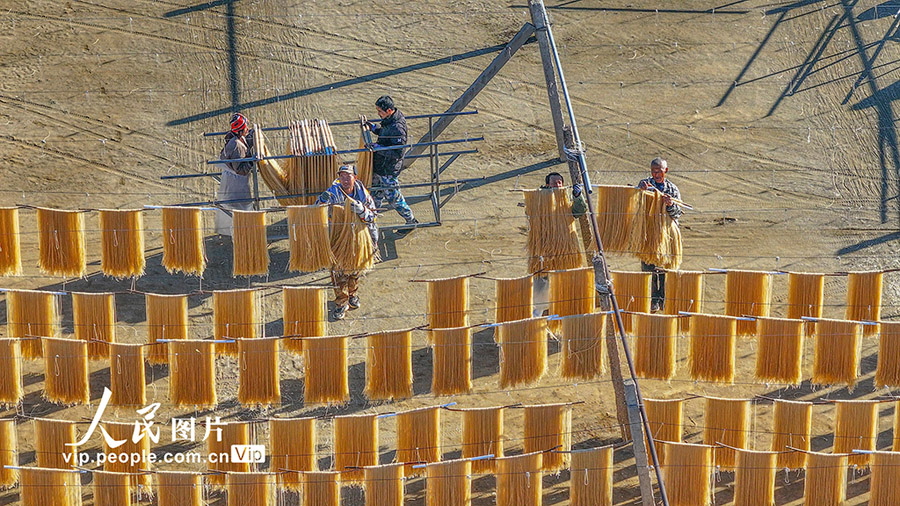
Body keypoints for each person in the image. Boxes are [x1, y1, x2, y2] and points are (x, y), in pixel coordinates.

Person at [316, 164, 378, 321]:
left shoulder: (363, 195)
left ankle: (353, 295)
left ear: (355, 178)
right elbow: (317, 209)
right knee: (338, 272)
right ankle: (341, 302)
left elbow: (373, 217)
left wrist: (362, 211)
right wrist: (321, 201)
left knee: (355, 270)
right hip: (337, 237)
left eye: (348, 176)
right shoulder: (333, 193)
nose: (344, 179)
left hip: (358, 238)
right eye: (341, 176)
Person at [532, 172, 588, 317]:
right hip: (544, 247)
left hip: (566, 248)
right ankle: (539, 310)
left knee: (567, 277)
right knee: (542, 278)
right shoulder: (539, 200)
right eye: (554, 182)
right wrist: (545, 194)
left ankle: (566, 308)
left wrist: (578, 196)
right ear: (547, 184)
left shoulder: (566, 202)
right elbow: (530, 212)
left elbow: (580, 211)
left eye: (559, 182)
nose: (557, 185)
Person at [636, 157, 683, 312]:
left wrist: (670, 204)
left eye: (659, 171)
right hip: (648, 233)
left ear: (666, 171)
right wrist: (640, 192)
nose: (656, 174)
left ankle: (663, 299)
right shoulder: (644, 185)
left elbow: (678, 213)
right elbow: (635, 205)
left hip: (667, 234)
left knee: (664, 268)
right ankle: (651, 301)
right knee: (648, 268)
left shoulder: (672, 189)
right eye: (653, 171)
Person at [368, 95, 418, 231]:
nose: (378, 114)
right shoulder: (389, 120)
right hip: (380, 166)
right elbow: (385, 134)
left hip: (388, 169)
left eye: (380, 111)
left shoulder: (398, 128)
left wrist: (380, 149)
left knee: (394, 198)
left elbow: (398, 153)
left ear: (389, 110)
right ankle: (370, 220)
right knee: (374, 194)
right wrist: (375, 129)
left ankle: (411, 220)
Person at [215, 113, 255, 236]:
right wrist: (252, 160)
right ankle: (241, 234)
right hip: (236, 184)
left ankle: (242, 231)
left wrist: (254, 135)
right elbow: (241, 170)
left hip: (234, 180)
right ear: (240, 131)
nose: (247, 129)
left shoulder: (237, 138)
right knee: (240, 208)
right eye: (245, 128)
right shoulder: (236, 145)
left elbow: (247, 140)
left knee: (241, 209)